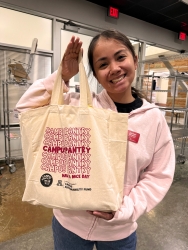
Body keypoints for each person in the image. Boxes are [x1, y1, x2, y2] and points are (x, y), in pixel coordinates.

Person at [16, 29, 175, 250]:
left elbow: (158, 176)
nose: (114, 68)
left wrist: (123, 210)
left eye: (120, 57)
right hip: (69, 224)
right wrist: (62, 75)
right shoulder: (78, 105)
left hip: (119, 231)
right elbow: (24, 108)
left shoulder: (153, 119)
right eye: (103, 64)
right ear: (96, 74)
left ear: (135, 60)